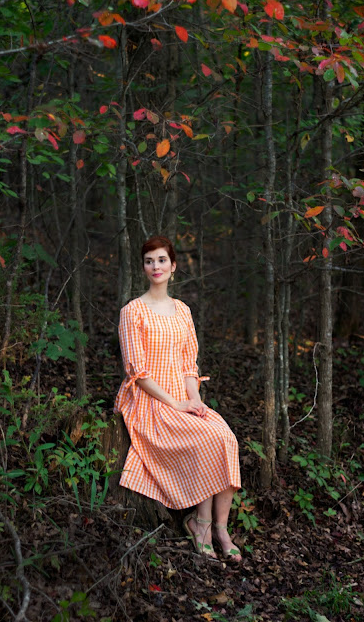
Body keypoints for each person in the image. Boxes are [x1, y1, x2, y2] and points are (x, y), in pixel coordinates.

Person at [114, 236, 241, 560]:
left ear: (173, 266)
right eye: (149, 261)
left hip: (183, 396)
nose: (155, 266)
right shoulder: (133, 312)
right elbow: (137, 373)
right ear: (143, 267)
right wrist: (175, 404)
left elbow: (188, 365)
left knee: (225, 437)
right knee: (206, 439)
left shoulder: (183, 310)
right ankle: (199, 522)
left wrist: (194, 401)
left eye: (161, 260)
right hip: (149, 400)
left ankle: (220, 528)